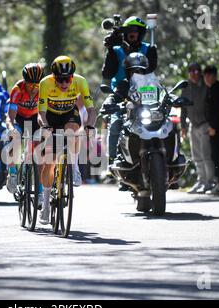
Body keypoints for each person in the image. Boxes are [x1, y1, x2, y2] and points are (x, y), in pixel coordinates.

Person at [38, 55, 97, 224]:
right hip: (50, 116)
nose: (64, 84)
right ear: (54, 77)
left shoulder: (80, 82)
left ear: (73, 76)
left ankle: (75, 167)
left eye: (68, 79)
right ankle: (46, 206)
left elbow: (91, 110)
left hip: (70, 115)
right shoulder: (45, 83)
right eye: (60, 80)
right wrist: (45, 127)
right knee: (49, 162)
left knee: (72, 131)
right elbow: (41, 113)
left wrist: (90, 127)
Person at [102, 15, 158, 191]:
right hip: (121, 93)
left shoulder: (149, 48)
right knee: (116, 123)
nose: (133, 34)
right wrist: (111, 50)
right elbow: (108, 73)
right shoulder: (116, 49)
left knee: (164, 119)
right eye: (130, 31)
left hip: (146, 92)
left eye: (136, 31)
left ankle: (168, 162)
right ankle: (115, 164)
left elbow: (151, 68)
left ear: (141, 33)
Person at [5, 63, 44, 195]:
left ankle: (40, 190)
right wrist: (11, 129)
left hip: (35, 118)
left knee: (40, 153)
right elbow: (10, 117)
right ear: (24, 82)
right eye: (30, 85)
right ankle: (12, 173)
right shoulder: (18, 89)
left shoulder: (44, 89)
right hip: (19, 118)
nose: (33, 88)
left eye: (36, 85)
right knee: (13, 140)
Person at [180, 62, 215, 194]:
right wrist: (183, 126)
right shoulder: (186, 86)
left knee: (206, 154)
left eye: (197, 71)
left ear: (200, 72)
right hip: (192, 125)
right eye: (191, 71)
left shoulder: (205, 84)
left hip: (205, 123)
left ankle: (210, 181)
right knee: (196, 156)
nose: (194, 74)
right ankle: (201, 181)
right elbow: (183, 108)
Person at [203, 65, 219, 195]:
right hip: (214, 126)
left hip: (217, 127)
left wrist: (213, 127)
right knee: (215, 155)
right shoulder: (211, 88)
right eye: (205, 76)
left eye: (209, 76)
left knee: (217, 156)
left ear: (214, 76)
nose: (206, 78)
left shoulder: (217, 89)